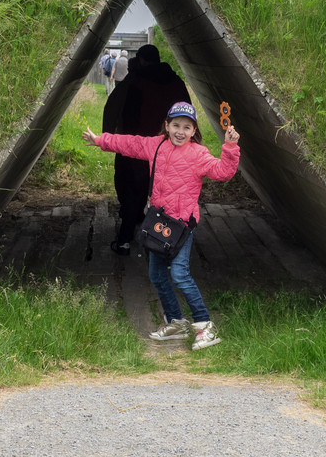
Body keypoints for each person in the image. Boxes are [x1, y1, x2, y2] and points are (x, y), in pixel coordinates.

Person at [84, 101, 240, 350]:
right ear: (166, 126)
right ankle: (176, 322)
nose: (180, 131)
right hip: (159, 223)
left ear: (193, 131)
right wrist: (101, 140)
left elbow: (223, 172)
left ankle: (204, 326)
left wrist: (230, 147)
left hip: (182, 225)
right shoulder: (156, 145)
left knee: (179, 274)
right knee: (156, 274)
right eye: (175, 125)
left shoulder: (199, 154)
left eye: (186, 127)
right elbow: (130, 144)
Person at [102, 44, 189, 255]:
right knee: (165, 195)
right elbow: (188, 112)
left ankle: (124, 239)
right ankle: (165, 245)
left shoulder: (135, 80)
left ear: (141, 60)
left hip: (136, 147)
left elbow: (112, 106)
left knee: (130, 190)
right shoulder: (176, 82)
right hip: (169, 148)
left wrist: (108, 136)